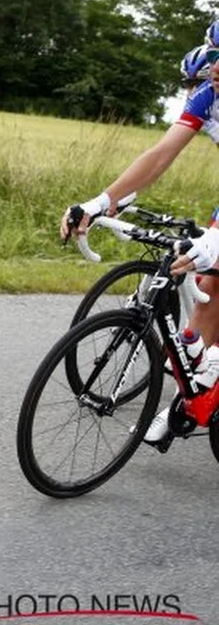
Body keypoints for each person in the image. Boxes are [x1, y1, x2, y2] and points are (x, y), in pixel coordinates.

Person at [62, 42, 219, 446]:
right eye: (215, 55)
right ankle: (194, 393)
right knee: (208, 285)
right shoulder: (208, 96)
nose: (216, 66)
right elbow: (160, 155)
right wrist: (100, 203)